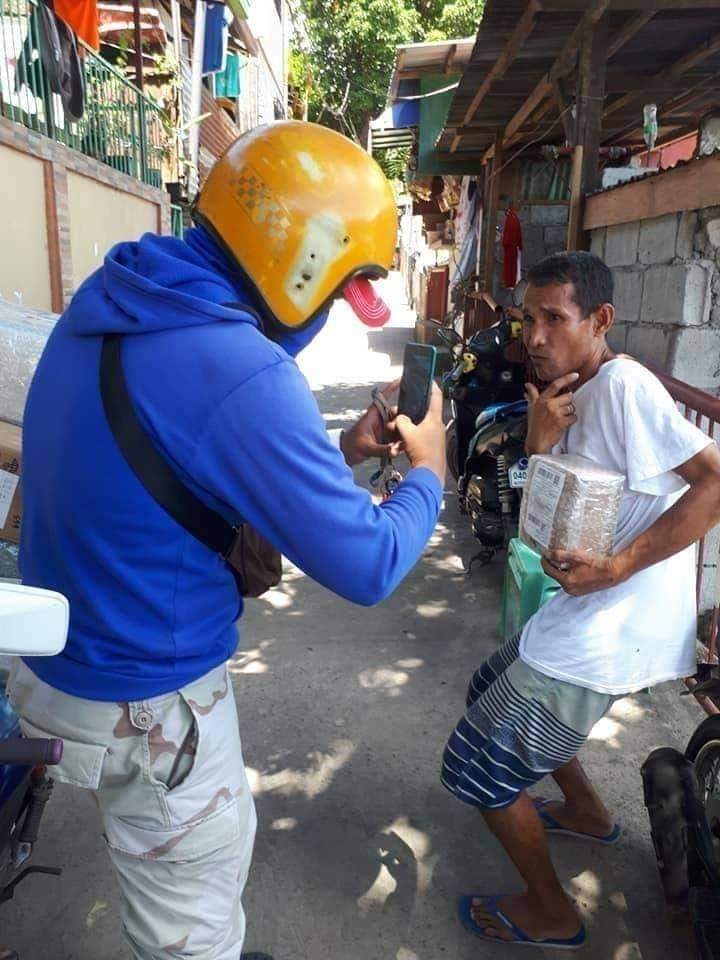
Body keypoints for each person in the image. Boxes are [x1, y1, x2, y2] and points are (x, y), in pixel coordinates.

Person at [8, 122, 446, 960]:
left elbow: (189, 464)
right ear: (305, 264)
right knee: (192, 931)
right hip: (152, 703)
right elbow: (367, 565)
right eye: (341, 285)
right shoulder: (242, 367)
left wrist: (348, 450)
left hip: (62, 665)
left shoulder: (115, 300)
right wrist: (429, 470)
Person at [441, 251, 720, 950]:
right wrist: (539, 443)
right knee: (485, 685)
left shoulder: (624, 386)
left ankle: (553, 913)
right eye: (527, 318)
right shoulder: (568, 394)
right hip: (582, 607)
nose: (534, 336)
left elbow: (715, 480)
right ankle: (590, 814)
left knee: (474, 770)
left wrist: (620, 565)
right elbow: (540, 531)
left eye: (554, 319)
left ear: (600, 320)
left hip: (612, 623)